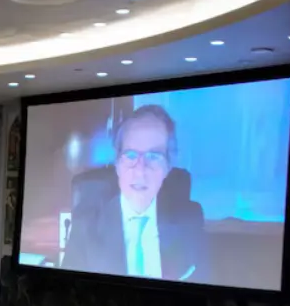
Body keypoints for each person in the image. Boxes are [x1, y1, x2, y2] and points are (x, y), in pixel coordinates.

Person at [60, 104, 207, 282]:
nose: (140, 170)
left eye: (153, 156)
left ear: (168, 167)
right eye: (130, 155)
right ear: (117, 164)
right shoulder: (87, 223)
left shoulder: (189, 219)